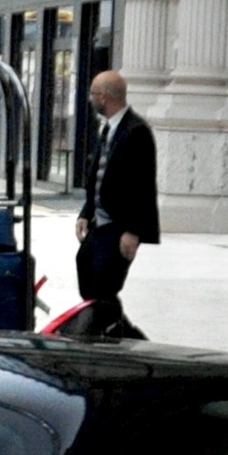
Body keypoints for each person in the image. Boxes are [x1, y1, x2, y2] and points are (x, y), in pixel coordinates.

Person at [72, 70, 158, 335]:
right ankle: (111, 328)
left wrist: (132, 231)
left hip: (119, 225)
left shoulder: (136, 131)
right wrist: (86, 212)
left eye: (93, 94)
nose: (90, 100)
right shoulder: (109, 128)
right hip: (100, 222)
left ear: (105, 97)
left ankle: (122, 334)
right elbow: (97, 174)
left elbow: (143, 186)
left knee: (105, 286)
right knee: (85, 267)